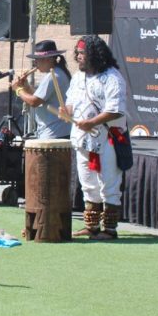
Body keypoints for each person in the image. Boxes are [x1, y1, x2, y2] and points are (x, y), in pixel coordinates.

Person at [62, 36, 129, 240]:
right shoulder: (77, 77)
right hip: (83, 139)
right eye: (78, 53)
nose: (78, 57)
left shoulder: (112, 78)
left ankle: (109, 229)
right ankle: (91, 227)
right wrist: (65, 111)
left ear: (95, 55)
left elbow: (116, 111)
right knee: (88, 183)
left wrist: (92, 122)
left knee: (109, 182)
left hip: (107, 138)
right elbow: (72, 104)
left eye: (83, 53)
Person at [12, 39, 72, 140]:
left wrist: (18, 89)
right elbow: (40, 99)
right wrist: (26, 86)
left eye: (37, 59)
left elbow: (34, 102)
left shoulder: (53, 76)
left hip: (54, 133)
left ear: (48, 59)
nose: (35, 63)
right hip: (57, 131)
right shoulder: (57, 72)